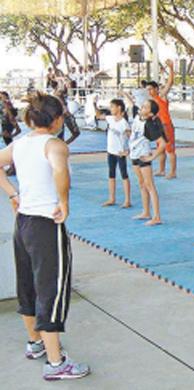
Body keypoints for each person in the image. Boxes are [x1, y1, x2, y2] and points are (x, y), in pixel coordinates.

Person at [0, 92, 90, 380]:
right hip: (44, 226)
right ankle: (55, 363)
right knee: (50, 289)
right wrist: (64, 203)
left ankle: (35, 342)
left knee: (27, 284)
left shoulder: (20, 143)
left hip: (24, 223)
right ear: (58, 119)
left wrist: (13, 194)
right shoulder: (55, 144)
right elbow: (60, 170)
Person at [126, 97, 167, 226]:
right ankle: (146, 212)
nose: (142, 107)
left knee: (149, 185)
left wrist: (152, 157)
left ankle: (157, 216)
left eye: (145, 107)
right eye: (142, 105)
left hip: (143, 155)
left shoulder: (150, 124)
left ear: (150, 113)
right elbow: (131, 104)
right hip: (134, 154)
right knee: (141, 183)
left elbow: (162, 144)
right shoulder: (137, 116)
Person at [94, 98, 131, 208]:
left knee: (124, 175)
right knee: (111, 174)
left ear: (119, 108)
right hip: (111, 151)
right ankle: (112, 198)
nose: (111, 109)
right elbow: (98, 116)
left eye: (112, 107)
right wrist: (94, 104)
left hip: (120, 152)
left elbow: (132, 138)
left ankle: (127, 200)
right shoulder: (110, 118)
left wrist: (127, 151)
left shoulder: (124, 123)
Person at [147, 59, 176, 179]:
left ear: (156, 89)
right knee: (161, 149)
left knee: (170, 150)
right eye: (147, 89)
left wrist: (171, 68)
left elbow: (170, 83)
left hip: (166, 126)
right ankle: (162, 170)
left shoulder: (162, 96)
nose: (149, 91)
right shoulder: (151, 102)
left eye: (151, 89)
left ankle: (173, 172)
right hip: (158, 128)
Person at [0, 92, 22, 176]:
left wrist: (15, 125)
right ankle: (13, 167)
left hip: (7, 123)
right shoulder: (6, 102)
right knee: (9, 143)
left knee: (9, 144)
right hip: (6, 123)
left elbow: (10, 114)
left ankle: (13, 167)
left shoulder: (5, 102)